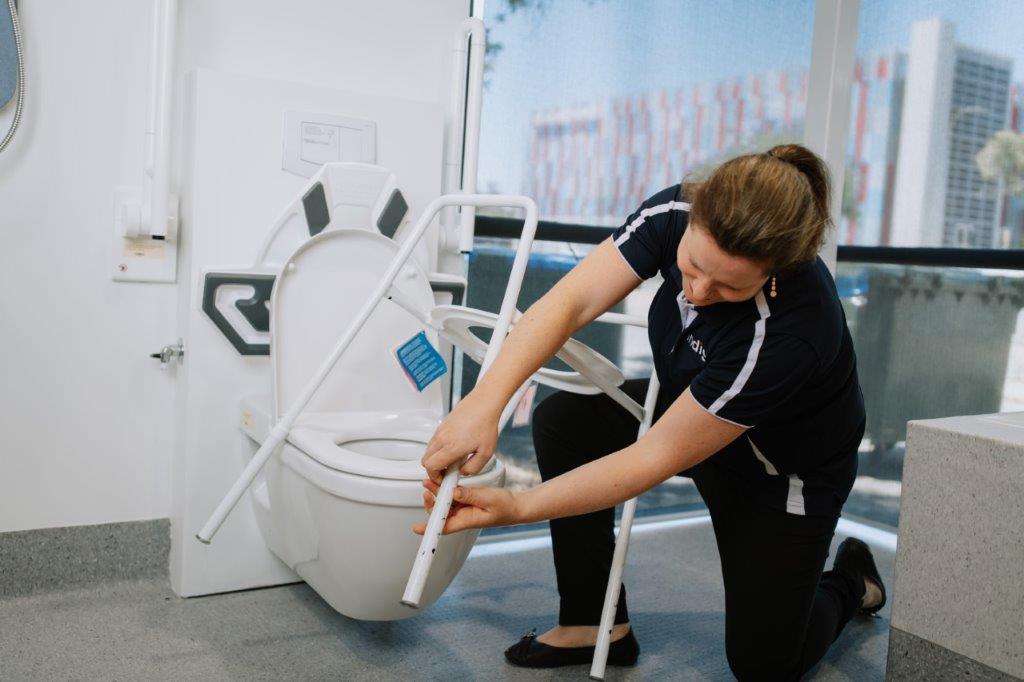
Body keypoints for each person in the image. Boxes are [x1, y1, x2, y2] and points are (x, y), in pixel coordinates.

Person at [415, 144, 886, 680]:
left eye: (729, 287)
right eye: (692, 266)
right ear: (696, 214)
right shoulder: (676, 213)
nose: (699, 292)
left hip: (781, 472)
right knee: (566, 422)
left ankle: (851, 579)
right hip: (698, 402)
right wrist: (484, 402)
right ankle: (595, 623)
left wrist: (518, 507)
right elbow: (570, 303)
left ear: (777, 271)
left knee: (766, 665)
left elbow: (654, 457)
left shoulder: (789, 331)